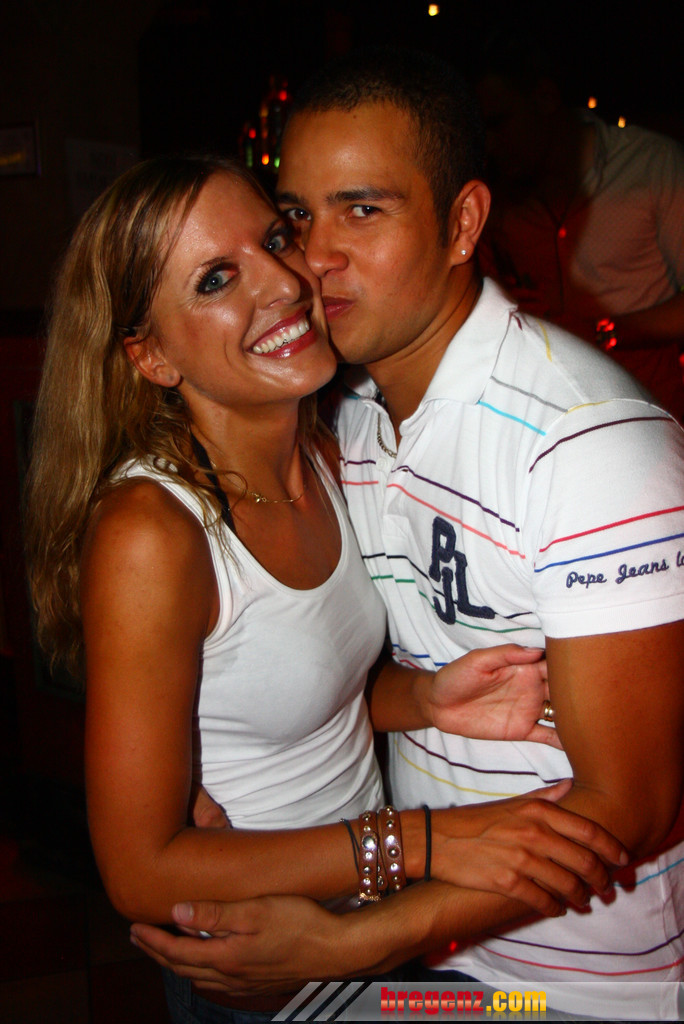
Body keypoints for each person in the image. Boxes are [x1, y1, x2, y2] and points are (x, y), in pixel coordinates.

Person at [130, 50, 684, 1020]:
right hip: (426, 953)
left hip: (569, 985)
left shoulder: (586, 445)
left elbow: (630, 804)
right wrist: (193, 768)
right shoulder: (343, 417)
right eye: (296, 218)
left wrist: (350, 943)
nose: (313, 259)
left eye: (362, 210)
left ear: (463, 223)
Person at [23, 154, 625, 1024]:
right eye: (216, 279)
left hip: (368, 936)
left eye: (275, 240)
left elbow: (279, 694)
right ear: (151, 356)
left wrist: (425, 698)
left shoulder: (327, 449)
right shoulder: (152, 533)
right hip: (269, 974)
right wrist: (428, 843)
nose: (283, 282)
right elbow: (140, 870)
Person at [474, 30, 684, 422]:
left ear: (545, 98)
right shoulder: (495, 194)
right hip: (548, 419)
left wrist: (603, 331)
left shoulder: (652, 163)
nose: (490, 143)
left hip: (654, 418)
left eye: (499, 122)